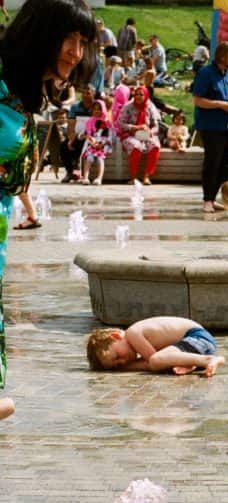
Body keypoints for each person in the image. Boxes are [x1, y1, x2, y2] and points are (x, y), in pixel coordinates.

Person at [0, 0, 96, 420]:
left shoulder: (25, 97)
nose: (75, 52)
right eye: (68, 38)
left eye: (82, 42)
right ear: (39, 33)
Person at [193, 42, 228, 214]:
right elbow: (198, 100)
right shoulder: (206, 73)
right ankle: (207, 199)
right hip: (211, 126)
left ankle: (213, 198)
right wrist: (221, 105)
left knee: (224, 164)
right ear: (222, 56)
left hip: (227, 126)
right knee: (212, 163)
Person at [86, 317, 226, 376]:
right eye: (117, 365)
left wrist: (124, 368)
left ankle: (208, 360)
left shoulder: (133, 333)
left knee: (156, 361)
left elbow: (152, 363)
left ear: (116, 336)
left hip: (197, 338)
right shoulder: (132, 338)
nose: (122, 362)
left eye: (117, 356)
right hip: (194, 345)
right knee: (164, 362)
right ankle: (192, 363)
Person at [117, 86, 161, 185]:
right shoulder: (128, 106)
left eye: (141, 94)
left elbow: (156, 126)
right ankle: (133, 177)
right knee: (136, 147)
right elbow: (120, 124)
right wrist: (136, 127)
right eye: (136, 94)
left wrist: (151, 132)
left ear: (146, 95)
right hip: (130, 134)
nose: (138, 97)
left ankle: (147, 176)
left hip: (145, 134)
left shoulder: (150, 106)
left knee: (155, 146)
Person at [80, 100, 111, 185]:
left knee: (100, 159)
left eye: (99, 109)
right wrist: (87, 138)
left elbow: (111, 136)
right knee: (89, 158)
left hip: (102, 146)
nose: (97, 111)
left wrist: (103, 144)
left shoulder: (107, 122)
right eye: (94, 109)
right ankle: (86, 177)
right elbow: (86, 133)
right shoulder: (89, 122)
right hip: (92, 145)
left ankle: (99, 178)